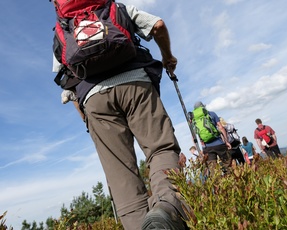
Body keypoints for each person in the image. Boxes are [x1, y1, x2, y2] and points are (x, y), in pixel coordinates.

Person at [53, 3, 191, 230]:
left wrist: (88, 121)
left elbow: (68, 88)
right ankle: (167, 208)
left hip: (93, 99)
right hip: (136, 83)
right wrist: (168, 57)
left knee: (120, 173)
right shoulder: (115, 8)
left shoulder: (62, 28)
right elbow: (158, 26)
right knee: (160, 148)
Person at [192, 101, 232, 174]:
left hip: (207, 147)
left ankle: (218, 184)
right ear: (203, 107)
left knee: (213, 171)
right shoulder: (211, 114)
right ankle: (232, 182)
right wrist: (226, 141)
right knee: (228, 165)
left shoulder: (194, 120)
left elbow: (194, 137)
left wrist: (199, 149)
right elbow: (221, 127)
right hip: (219, 143)